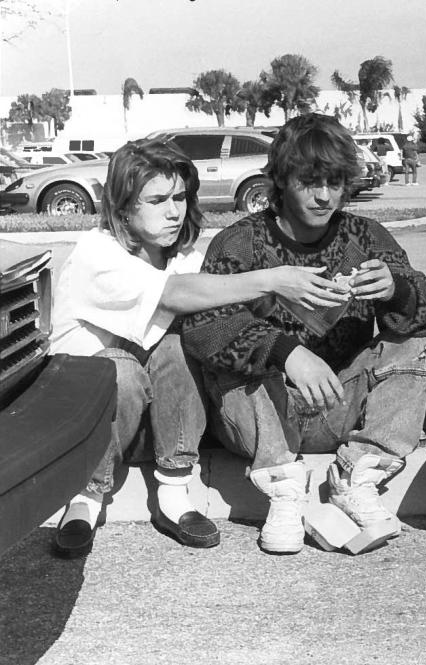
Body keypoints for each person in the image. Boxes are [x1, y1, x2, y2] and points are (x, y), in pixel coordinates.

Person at [50, 139, 333, 557]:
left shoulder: (182, 256)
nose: (173, 211)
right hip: (91, 430)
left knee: (179, 346)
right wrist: (272, 278)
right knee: (120, 366)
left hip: (160, 426)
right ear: (124, 206)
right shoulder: (96, 252)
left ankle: (174, 492)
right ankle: (86, 498)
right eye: (158, 200)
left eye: (180, 196)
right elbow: (174, 295)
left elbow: (216, 308)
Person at [182, 114, 426, 555]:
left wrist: (398, 289)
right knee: (228, 358)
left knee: (421, 340)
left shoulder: (365, 235)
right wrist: (285, 352)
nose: (325, 196)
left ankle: (359, 472)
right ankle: (284, 488)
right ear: (282, 180)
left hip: (340, 404)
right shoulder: (241, 242)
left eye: (335, 182)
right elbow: (202, 328)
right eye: (309, 182)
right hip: (266, 415)